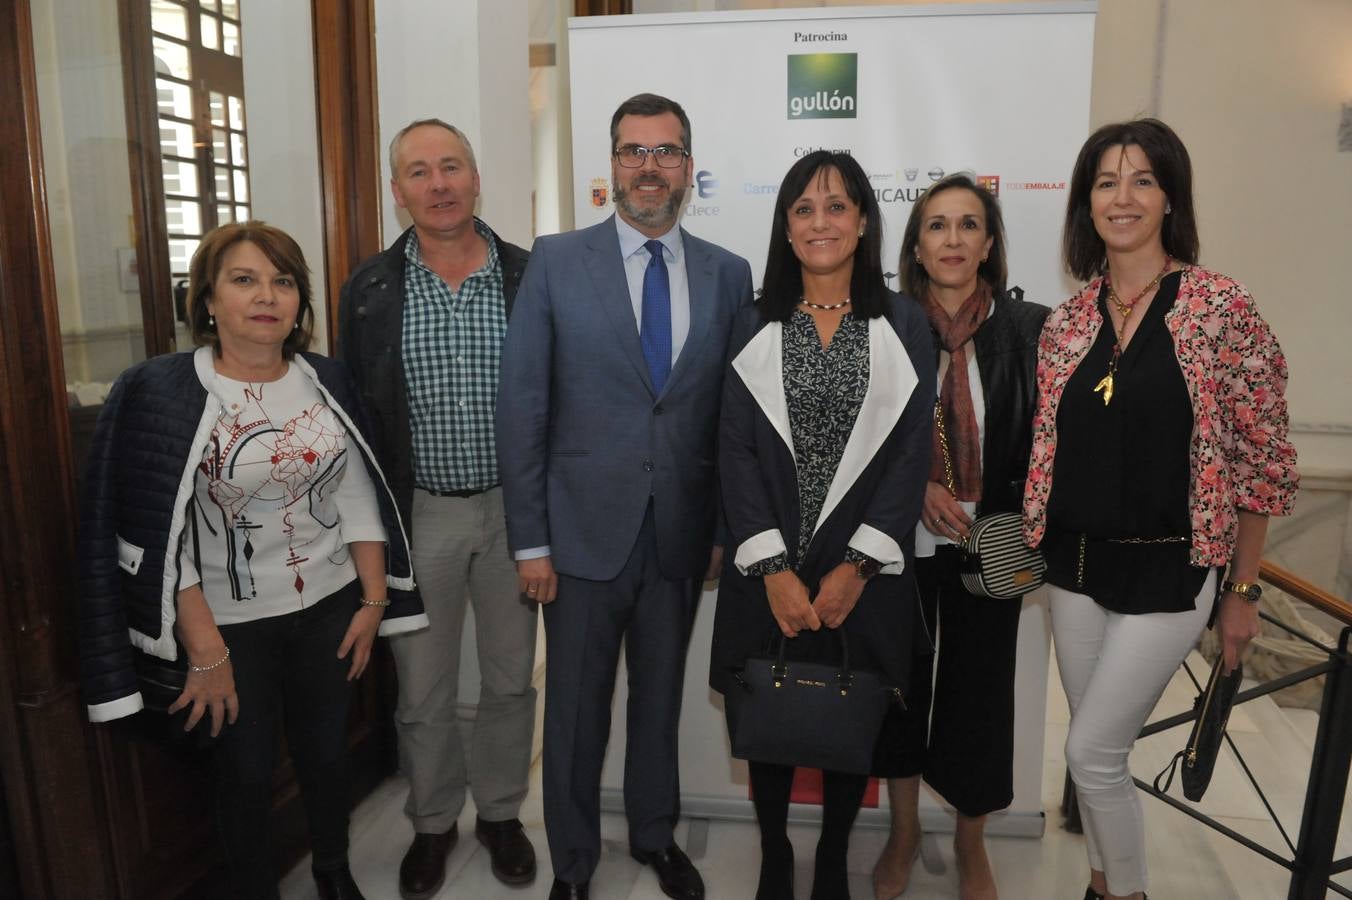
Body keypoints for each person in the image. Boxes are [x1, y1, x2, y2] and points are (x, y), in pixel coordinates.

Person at [76, 222, 426, 900]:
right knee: (243, 773)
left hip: (330, 609)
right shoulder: (160, 390)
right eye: (245, 280)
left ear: (300, 302)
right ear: (207, 299)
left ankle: (333, 873)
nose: (267, 296)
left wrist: (374, 601)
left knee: (327, 758)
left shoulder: (325, 378)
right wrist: (204, 646)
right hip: (227, 627)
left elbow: (359, 490)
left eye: (283, 281)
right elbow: (158, 529)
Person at [1023, 119, 1298, 900]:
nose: (1123, 197)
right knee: (1099, 755)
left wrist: (1242, 591)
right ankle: (1105, 885)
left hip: (1174, 567)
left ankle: (1126, 894)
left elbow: (1261, 464)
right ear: (1085, 204)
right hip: (1073, 569)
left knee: (1088, 754)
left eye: (1142, 179)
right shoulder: (1067, 324)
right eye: (1106, 182)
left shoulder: (1220, 307)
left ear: (1170, 198)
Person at [496, 92, 753, 900]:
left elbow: (727, 420)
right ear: (611, 166)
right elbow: (524, 405)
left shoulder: (728, 272)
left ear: (688, 166)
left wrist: (719, 528)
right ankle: (572, 861)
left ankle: (654, 836)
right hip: (576, 539)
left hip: (678, 536)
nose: (650, 166)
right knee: (574, 713)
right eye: (634, 151)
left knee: (660, 703)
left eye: (667, 151)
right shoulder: (556, 259)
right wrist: (530, 542)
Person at [710, 150, 933, 900]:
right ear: (786, 226)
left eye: (837, 206)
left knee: (850, 710)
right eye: (803, 208)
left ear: (864, 220)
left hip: (860, 572)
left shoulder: (904, 322)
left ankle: (834, 855)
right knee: (768, 706)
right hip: (767, 563)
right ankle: (775, 853)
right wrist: (772, 569)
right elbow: (733, 449)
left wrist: (857, 567)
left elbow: (909, 455)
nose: (820, 222)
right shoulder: (754, 320)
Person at [337, 118, 539, 898]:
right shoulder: (371, 290)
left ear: (476, 177)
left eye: (451, 166)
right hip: (418, 516)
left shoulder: (528, 276)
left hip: (515, 513)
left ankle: (499, 814)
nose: (439, 183)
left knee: (511, 679)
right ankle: (431, 822)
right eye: (419, 172)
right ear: (398, 193)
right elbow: (358, 419)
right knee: (421, 688)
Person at [869, 174, 1049, 900]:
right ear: (916, 244)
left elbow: (1047, 437)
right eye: (937, 225)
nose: (952, 239)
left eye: (968, 225)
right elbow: (861, 437)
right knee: (902, 688)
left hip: (992, 542)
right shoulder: (883, 324)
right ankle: (905, 830)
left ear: (990, 242)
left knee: (980, 694)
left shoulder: (1029, 328)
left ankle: (971, 841)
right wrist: (916, 484)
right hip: (898, 539)